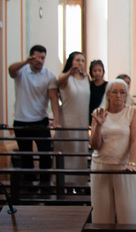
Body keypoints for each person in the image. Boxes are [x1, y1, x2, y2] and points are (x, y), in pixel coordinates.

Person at [88, 79, 136, 232]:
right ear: (108, 94)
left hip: (124, 168)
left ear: (126, 95)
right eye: (114, 92)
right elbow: (94, 145)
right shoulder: (98, 113)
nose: (118, 95)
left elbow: (135, 141)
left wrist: (132, 163)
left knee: (127, 210)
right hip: (101, 165)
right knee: (102, 211)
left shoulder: (132, 112)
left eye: (122, 92)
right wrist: (99, 125)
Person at [7, 45, 61, 189]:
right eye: (37, 58)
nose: (40, 61)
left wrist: (56, 119)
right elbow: (11, 70)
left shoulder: (49, 76)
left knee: (45, 155)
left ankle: (44, 185)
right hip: (21, 120)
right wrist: (25, 62)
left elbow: (53, 98)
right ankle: (29, 186)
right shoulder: (22, 72)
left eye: (42, 58)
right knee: (26, 156)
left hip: (40, 120)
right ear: (31, 57)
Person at [56, 51, 91, 190]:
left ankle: (80, 182)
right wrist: (70, 72)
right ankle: (65, 183)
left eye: (82, 60)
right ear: (71, 61)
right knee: (69, 151)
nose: (80, 63)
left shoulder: (86, 78)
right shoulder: (65, 77)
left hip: (82, 120)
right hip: (69, 119)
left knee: (81, 151)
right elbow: (59, 82)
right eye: (77, 60)